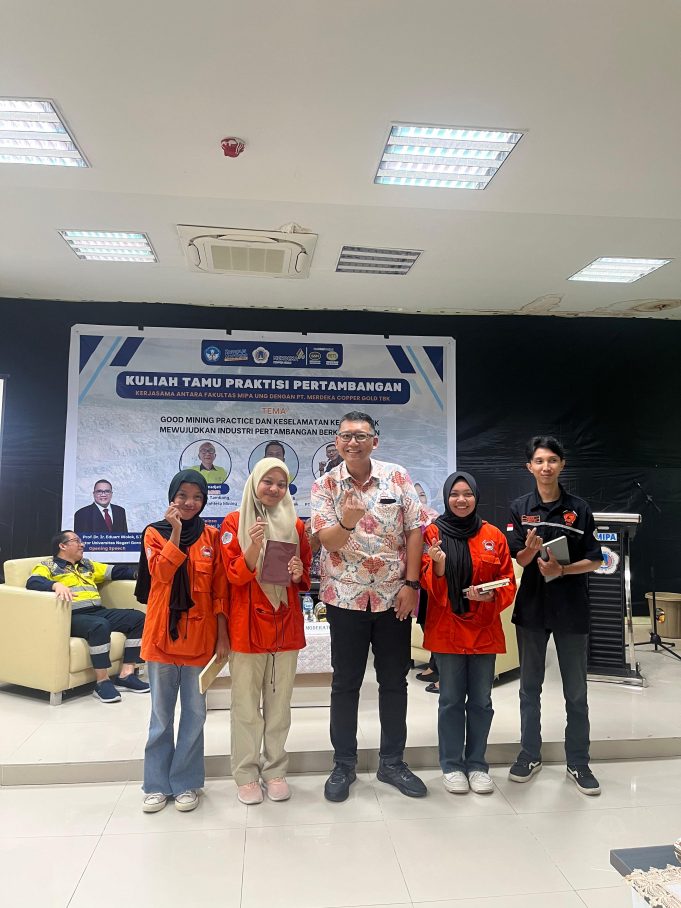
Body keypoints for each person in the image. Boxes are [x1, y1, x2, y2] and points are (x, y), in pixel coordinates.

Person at [310, 411, 427, 802]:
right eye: (346, 436)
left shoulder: (397, 476)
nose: (353, 442)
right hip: (344, 598)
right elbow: (326, 541)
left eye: (361, 436)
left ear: (374, 441)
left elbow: (415, 531)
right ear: (337, 442)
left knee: (394, 682)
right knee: (345, 684)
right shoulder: (325, 484)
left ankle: (392, 762)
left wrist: (412, 584)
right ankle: (343, 765)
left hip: (394, 597)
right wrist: (346, 522)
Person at [507, 436, 603, 796]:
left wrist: (562, 570)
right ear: (529, 467)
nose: (545, 467)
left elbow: (595, 559)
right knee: (529, 688)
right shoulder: (519, 508)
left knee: (576, 692)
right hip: (532, 607)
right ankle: (529, 754)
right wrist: (531, 552)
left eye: (552, 460)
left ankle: (578, 761)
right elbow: (518, 559)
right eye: (539, 461)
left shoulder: (579, 509)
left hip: (571, 607)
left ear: (562, 464)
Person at [136, 470, 229, 814]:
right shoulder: (154, 533)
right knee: (160, 717)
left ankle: (186, 782)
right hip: (161, 639)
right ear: (172, 497)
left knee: (194, 715)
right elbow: (161, 574)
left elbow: (219, 591)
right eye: (183, 496)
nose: (190, 503)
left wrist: (222, 636)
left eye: (197, 497)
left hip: (200, 641)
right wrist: (175, 531)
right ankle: (156, 785)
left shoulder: (212, 537)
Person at [220, 457, 311, 804]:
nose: (274, 489)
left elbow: (303, 576)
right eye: (267, 482)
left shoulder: (296, 525)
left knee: (279, 706)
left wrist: (298, 572)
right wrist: (255, 546)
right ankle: (245, 774)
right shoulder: (233, 522)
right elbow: (232, 576)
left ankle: (275, 770)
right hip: (246, 627)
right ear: (254, 483)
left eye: (281, 484)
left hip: (284, 625)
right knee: (245, 707)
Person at [421, 472, 516, 794]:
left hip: (484, 630)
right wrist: (438, 565)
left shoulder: (493, 535)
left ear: (476, 497)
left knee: (481, 702)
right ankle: (451, 765)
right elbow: (429, 586)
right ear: (446, 497)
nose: (461, 500)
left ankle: (477, 765)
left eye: (467, 494)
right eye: (455, 494)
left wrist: (490, 597)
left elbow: (507, 582)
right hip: (447, 629)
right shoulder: (433, 533)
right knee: (450, 700)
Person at [26, 532, 147, 702]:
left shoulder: (87, 564)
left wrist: (139, 575)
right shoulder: (48, 565)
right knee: (99, 625)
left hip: (97, 611)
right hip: (71, 616)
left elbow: (114, 571)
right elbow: (33, 582)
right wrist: (55, 584)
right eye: (76, 541)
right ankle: (102, 682)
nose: (82, 545)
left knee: (138, 618)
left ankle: (126, 674)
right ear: (62, 546)